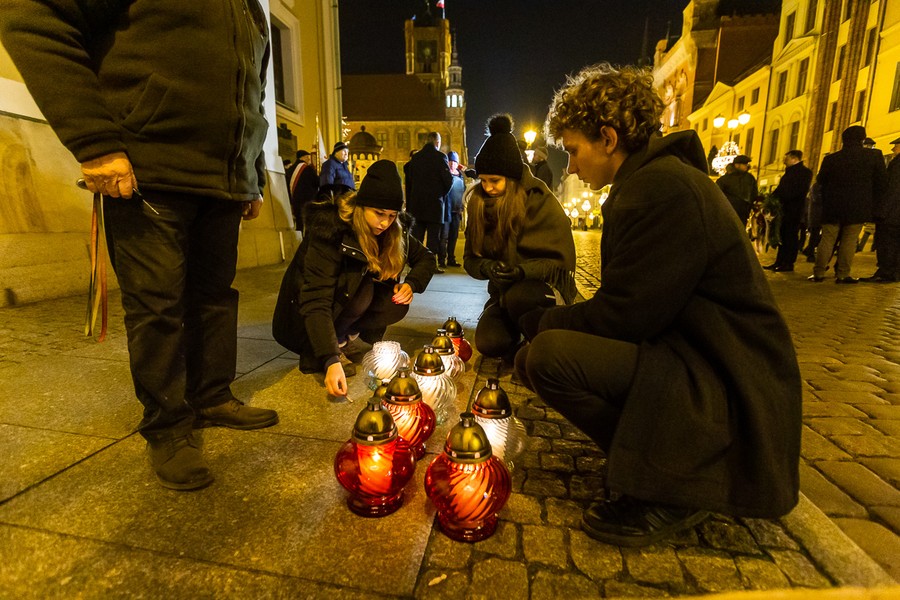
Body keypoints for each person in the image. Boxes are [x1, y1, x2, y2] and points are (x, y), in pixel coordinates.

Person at [517, 63, 801, 546]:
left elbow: (623, 316)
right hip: (695, 362)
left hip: (728, 386)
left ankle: (676, 486)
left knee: (547, 357)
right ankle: (649, 459)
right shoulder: (654, 180)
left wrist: (543, 319)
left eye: (573, 151)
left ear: (608, 138)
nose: (569, 167)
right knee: (536, 355)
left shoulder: (662, 189)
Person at [0, 0, 280, 491]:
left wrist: (252, 173)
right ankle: (168, 426)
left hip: (223, 181)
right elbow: (32, 15)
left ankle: (212, 395)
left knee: (216, 297)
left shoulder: (250, 7)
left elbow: (250, 95)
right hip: (149, 170)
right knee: (158, 306)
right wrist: (94, 141)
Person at [272, 160, 435, 398]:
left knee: (394, 301)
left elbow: (426, 258)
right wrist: (329, 360)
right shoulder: (331, 230)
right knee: (363, 289)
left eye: (391, 215)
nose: (384, 223)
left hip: (341, 306)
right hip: (301, 320)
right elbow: (315, 298)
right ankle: (330, 346)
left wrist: (412, 284)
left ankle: (345, 337)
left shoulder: (392, 231)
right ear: (361, 206)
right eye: (378, 213)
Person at [464, 114, 576, 363]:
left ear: (512, 178)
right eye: (483, 180)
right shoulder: (479, 203)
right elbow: (470, 260)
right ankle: (518, 334)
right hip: (504, 294)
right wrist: (488, 267)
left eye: (495, 181)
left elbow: (557, 264)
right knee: (489, 343)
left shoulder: (538, 198)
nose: (488, 187)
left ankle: (544, 345)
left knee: (520, 296)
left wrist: (521, 272)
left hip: (543, 290)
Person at [810, 126, 888, 283]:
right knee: (850, 240)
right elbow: (882, 182)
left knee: (827, 239)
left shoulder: (831, 159)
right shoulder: (873, 156)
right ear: (862, 139)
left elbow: (821, 180)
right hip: (858, 205)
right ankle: (843, 274)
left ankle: (818, 272)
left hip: (833, 205)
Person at [405, 132, 453, 271]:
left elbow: (409, 181)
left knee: (417, 236)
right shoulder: (440, 157)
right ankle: (431, 265)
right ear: (437, 142)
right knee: (433, 237)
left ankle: (416, 264)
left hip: (417, 204)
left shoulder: (416, 158)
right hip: (435, 205)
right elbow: (448, 181)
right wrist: (440, 196)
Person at [764, 150, 813, 272]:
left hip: (793, 210)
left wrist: (781, 198)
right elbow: (781, 190)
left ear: (794, 158)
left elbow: (796, 191)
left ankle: (788, 262)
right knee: (782, 235)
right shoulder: (789, 173)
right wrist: (770, 199)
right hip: (784, 210)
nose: (783, 160)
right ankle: (779, 261)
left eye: (786, 158)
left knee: (790, 236)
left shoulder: (804, 173)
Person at [862, 137, 900, 282]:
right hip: (894, 212)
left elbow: (893, 189)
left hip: (892, 213)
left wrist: (883, 210)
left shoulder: (897, 164)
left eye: (896, 146)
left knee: (888, 244)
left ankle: (887, 272)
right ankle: (891, 272)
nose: (893, 149)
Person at [716, 155, 758, 226]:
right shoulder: (725, 179)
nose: (746, 166)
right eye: (744, 164)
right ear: (737, 165)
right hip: (728, 212)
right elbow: (717, 195)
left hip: (743, 213)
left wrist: (750, 205)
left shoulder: (749, 178)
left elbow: (754, 193)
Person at [286, 150, 320, 232]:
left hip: (295, 200)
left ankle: (299, 239)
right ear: (303, 157)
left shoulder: (290, 169)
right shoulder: (307, 168)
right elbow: (317, 182)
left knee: (299, 223)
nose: (309, 160)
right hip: (307, 200)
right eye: (308, 157)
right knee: (309, 222)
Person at [444, 151, 467, 267]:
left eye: (454, 161)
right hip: (446, 212)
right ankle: (442, 259)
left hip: (456, 211)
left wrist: (462, 207)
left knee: (454, 236)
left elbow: (464, 192)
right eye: (450, 161)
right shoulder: (445, 175)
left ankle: (451, 258)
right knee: (444, 236)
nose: (452, 164)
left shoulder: (461, 177)